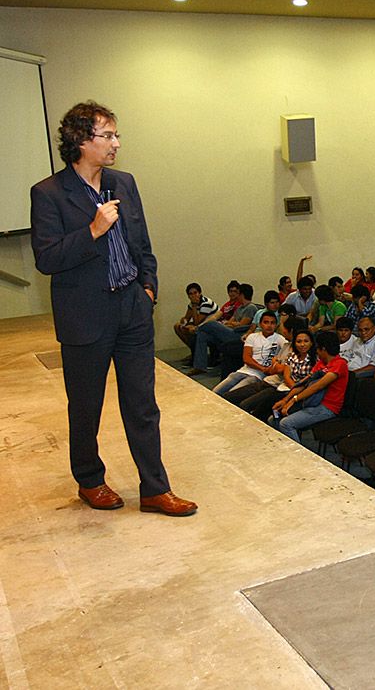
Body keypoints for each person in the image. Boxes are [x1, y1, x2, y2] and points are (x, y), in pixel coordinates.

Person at [30, 100, 195, 516]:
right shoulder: (48, 194)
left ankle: (155, 489)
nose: (117, 143)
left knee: (142, 404)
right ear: (81, 142)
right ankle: (89, 479)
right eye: (108, 135)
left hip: (132, 307)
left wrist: (148, 289)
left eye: (116, 134)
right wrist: (93, 229)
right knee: (85, 406)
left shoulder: (124, 183)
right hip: (86, 315)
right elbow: (47, 259)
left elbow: (142, 242)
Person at [212, 310, 285, 398]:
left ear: (276, 325)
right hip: (242, 371)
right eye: (266, 322)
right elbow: (247, 358)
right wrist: (263, 368)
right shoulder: (252, 337)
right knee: (215, 391)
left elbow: (289, 348)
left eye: (272, 323)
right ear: (260, 324)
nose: (269, 325)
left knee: (231, 395)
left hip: (257, 376)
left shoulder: (279, 339)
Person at [173, 282, 218, 360]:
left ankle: (196, 355)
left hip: (212, 325)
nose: (193, 295)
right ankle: (194, 350)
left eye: (195, 293)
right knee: (177, 326)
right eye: (191, 294)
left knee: (192, 330)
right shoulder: (191, 304)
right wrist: (184, 322)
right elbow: (187, 318)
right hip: (201, 324)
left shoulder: (206, 303)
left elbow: (197, 322)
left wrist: (194, 306)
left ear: (200, 293)